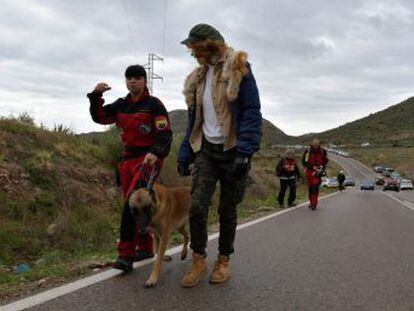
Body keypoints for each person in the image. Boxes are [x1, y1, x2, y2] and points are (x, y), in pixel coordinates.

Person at [177, 23, 262, 287]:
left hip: (233, 150)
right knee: (197, 206)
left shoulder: (237, 67)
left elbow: (251, 110)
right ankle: (198, 259)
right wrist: (184, 151)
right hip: (206, 151)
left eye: (196, 48)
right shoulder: (198, 77)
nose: (193, 54)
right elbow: (194, 119)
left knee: (227, 209)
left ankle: (223, 260)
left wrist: (245, 152)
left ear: (210, 45)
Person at [87, 65, 172, 272]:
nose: (132, 81)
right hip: (126, 160)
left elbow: (165, 133)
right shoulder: (121, 105)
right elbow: (100, 117)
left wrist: (156, 152)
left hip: (148, 160)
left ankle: (125, 255)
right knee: (138, 203)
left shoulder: (154, 105)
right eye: (129, 78)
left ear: (144, 81)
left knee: (130, 203)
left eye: (136, 78)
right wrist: (96, 96)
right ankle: (144, 247)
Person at [302, 139, 328, 210]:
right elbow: (304, 161)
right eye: (314, 145)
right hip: (310, 172)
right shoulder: (308, 151)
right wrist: (309, 167)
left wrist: (322, 169)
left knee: (315, 188)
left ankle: (314, 204)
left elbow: (325, 161)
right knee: (310, 188)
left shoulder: (323, 151)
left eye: (317, 145)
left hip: (318, 172)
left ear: (319, 144)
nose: (316, 146)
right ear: (312, 144)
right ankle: (311, 202)